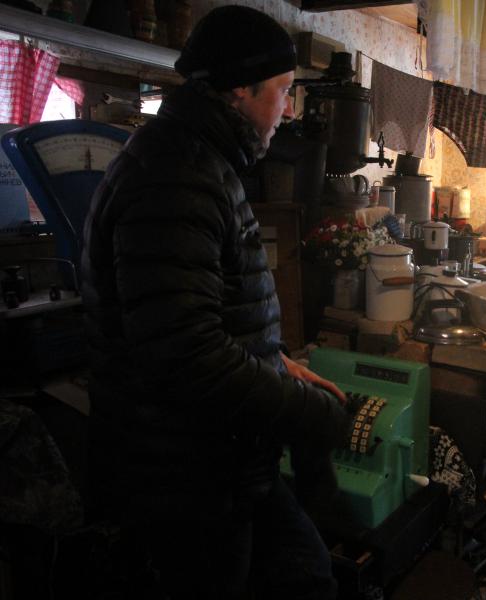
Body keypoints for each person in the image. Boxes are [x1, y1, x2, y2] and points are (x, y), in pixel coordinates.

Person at [80, 6, 349, 599]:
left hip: (221, 461)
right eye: (283, 90)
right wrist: (307, 413)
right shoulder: (176, 177)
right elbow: (184, 356)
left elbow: (207, 317)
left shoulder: (199, 160)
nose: (289, 109)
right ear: (241, 90)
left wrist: (278, 364)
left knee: (305, 570)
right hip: (181, 476)